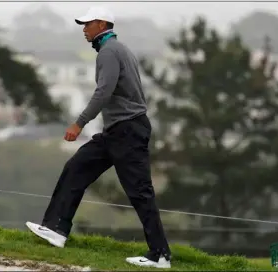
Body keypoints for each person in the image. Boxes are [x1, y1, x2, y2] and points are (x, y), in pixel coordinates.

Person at [25, 6, 172, 269]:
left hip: (127, 130)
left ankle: (160, 255)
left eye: (88, 24)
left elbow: (103, 92)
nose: (84, 29)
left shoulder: (109, 52)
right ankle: (56, 230)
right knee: (76, 168)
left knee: (140, 192)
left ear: (102, 24)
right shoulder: (119, 49)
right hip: (117, 131)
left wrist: (79, 123)